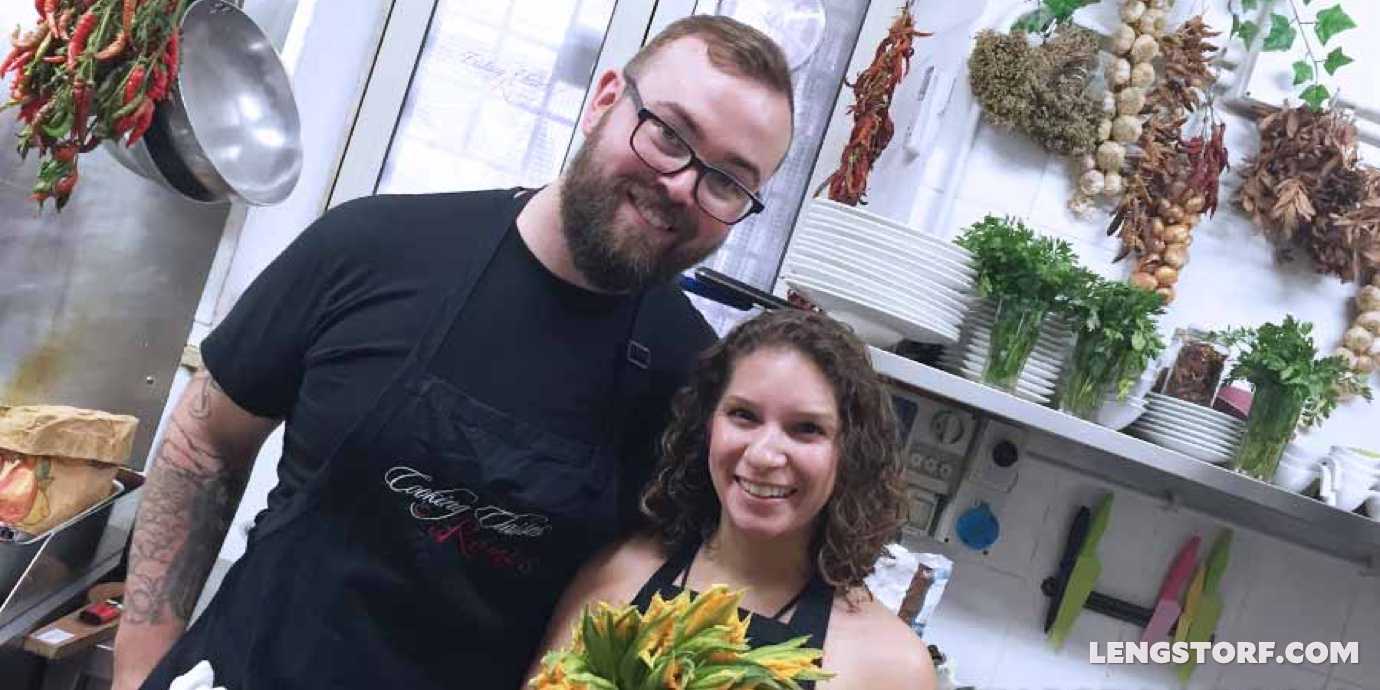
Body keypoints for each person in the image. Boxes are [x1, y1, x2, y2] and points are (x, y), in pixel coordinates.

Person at [112, 16, 796, 690]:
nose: (682, 184)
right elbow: (206, 439)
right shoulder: (373, 246)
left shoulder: (696, 386)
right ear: (606, 99)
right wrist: (143, 669)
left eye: (728, 181)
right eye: (669, 134)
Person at [531, 309, 938, 689]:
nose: (763, 455)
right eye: (744, 415)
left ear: (851, 451)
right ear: (708, 424)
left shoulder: (893, 666)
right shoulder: (618, 574)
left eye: (806, 428)